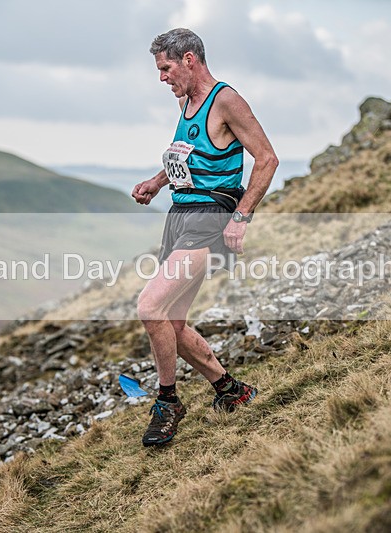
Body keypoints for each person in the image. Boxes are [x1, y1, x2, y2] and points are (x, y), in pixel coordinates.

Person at [132, 28, 278, 447]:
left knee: (150, 306)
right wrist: (158, 182)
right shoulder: (185, 102)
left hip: (210, 217)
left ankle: (168, 402)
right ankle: (231, 390)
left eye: (166, 68)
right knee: (173, 323)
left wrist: (241, 217)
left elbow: (267, 159)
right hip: (180, 216)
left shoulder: (226, 100)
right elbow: (187, 156)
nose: (162, 78)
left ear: (189, 60)